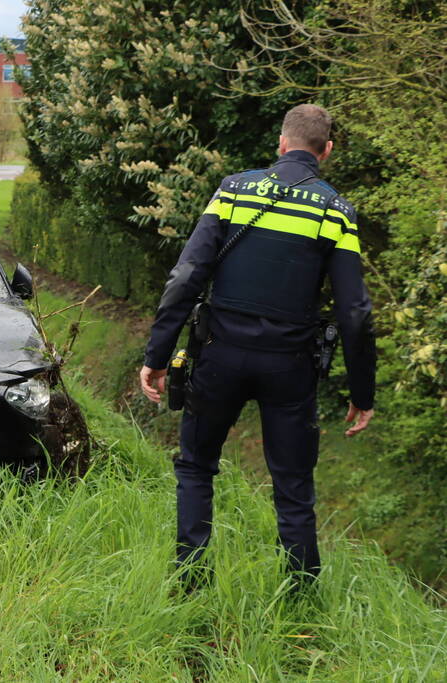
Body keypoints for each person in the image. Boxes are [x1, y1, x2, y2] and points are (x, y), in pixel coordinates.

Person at [138, 104, 376, 587]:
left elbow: (186, 276)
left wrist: (157, 356)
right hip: (290, 366)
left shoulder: (233, 191)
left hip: (218, 354)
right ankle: (301, 596)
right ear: (326, 151)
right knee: (293, 486)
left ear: (281, 143)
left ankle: (190, 581)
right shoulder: (336, 211)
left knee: (196, 467)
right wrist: (362, 392)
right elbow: (354, 312)